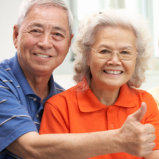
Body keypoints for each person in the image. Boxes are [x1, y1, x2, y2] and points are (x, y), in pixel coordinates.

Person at [40, 9, 159, 159]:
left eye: (125, 52)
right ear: (87, 56)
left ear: (137, 59)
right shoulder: (59, 107)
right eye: (104, 51)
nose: (115, 61)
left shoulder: (145, 103)